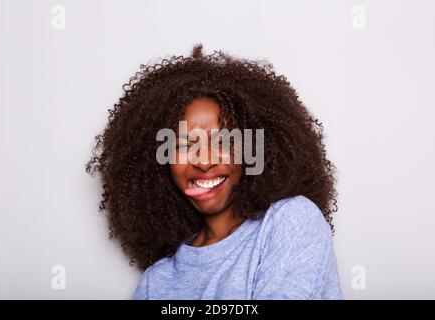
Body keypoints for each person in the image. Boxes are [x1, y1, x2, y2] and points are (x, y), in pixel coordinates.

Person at [86, 43, 343, 299]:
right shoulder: (155, 284)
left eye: (222, 142)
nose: (203, 162)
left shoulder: (290, 222)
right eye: (184, 145)